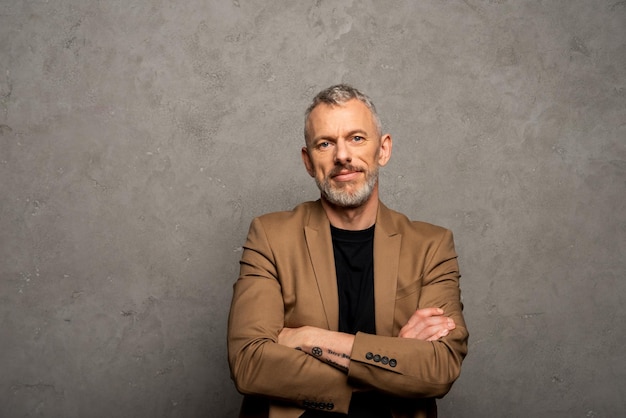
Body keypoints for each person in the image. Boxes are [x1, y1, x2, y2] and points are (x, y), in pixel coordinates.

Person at [227, 84, 468, 418]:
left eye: (356, 138)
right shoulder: (270, 236)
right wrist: (396, 360)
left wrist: (308, 338)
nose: (342, 155)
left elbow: (439, 369)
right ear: (308, 161)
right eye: (325, 143)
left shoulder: (431, 246)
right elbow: (250, 363)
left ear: (383, 150)